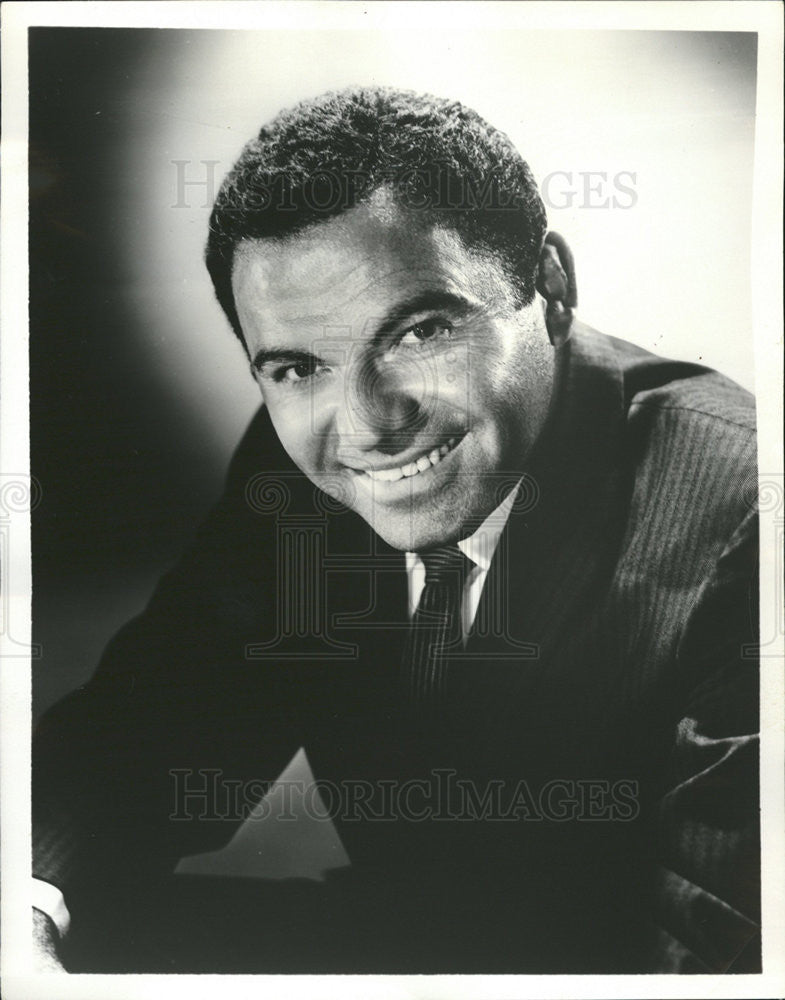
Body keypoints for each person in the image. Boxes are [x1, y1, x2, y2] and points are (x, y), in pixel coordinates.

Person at [32, 87, 760, 974]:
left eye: (418, 331)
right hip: (415, 948)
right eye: (299, 367)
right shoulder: (297, 473)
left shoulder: (744, 518)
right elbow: (138, 734)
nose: (367, 424)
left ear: (552, 288)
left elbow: (719, 958)